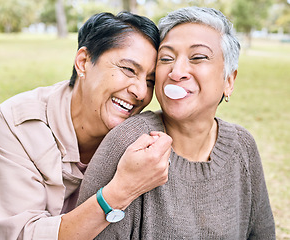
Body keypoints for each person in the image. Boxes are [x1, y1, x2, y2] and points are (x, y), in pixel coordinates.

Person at [77, 7, 276, 239]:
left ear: (229, 81)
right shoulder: (128, 142)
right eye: (166, 59)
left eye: (198, 57)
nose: (177, 72)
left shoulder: (243, 146)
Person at [0, 12, 173, 240]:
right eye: (129, 70)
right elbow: (23, 235)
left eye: (149, 81)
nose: (140, 92)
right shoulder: (20, 122)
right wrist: (121, 190)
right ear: (83, 62)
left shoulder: (140, 138)